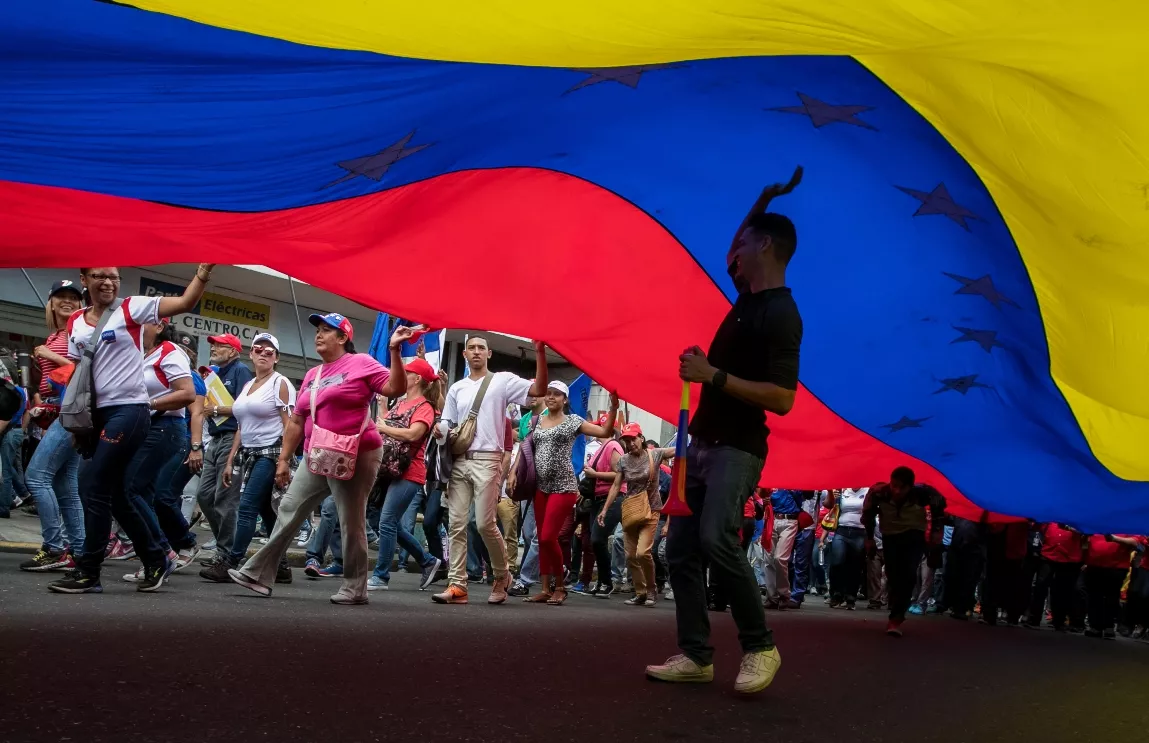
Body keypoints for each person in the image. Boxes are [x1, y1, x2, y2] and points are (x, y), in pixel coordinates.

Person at [647, 169, 803, 694]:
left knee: (715, 538)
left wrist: (712, 375)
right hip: (702, 444)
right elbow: (737, 245)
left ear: (766, 246)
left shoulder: (782, 314)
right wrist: (761, 197)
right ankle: (696, 655)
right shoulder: (747, 296)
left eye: (747, 238)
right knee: (680, 553)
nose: (736, 246)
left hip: (738, 448)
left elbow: (783, 398)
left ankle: (761, 646)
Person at [48, 265, 213, 594]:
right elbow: (81, 373)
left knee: (92, 484)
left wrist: (203, 273)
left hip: (131, 411)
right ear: (85, 280)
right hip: (98, 415)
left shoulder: (131, 307)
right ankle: (156, 559)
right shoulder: (76, 321)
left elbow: (184, 302)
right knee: (120, 494)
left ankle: (88, 571)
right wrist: (79, 422)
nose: (107, 282)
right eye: (99, 276)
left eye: (113, 277)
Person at [228, 314, 411, 604]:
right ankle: (259, 574)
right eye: (318, 330)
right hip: (318, 453)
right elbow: (297, 421)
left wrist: (395, 351)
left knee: (351, 520)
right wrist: (285, 460)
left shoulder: (361, 362)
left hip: (357, 453)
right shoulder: (313, 375)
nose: (319, 335)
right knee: (288, 506)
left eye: (327, 330)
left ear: (342, 338)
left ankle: (355, 588)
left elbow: (395, 389)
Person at [430, 336, 547, 605]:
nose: (476, 352)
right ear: (464, 354)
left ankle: (501, 574)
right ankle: (457, 585)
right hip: (459, 460)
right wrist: (440, 429)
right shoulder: (457, 389)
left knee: (484, 524)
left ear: (489, 353)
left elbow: (538, 390)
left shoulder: (502, 380)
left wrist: (539, 352)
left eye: (481, 348)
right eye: (471, 347)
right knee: (456, 524)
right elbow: (448, 420)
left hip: (489, 459)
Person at [199, 332, 296, 583]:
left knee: (247, 507)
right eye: (258, 349)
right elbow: (241, 426)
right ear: (250, 353)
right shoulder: (247, 385)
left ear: (276, 358)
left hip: (271, 452)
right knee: (268, 512)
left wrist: (284, 461)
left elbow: (290, 425)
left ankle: (231, 561)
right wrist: (231, 460)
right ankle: (282, 565)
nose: (263, 354)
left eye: (269, 351)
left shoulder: (280, 383)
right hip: (248, 453)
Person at [510, 381, 616, 605]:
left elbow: (606, 431)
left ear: (565, 399)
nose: (551, 397)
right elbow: (526, 447)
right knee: (542, 538)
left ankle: (560, 586)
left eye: (557, 394)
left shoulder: (573, 421)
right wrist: (513, 472)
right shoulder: (537, 421)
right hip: (541, 486)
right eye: (548, 394)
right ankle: (545, 588)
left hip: (564, 486)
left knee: (548, 537)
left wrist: (613, 408)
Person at [118, 319, 202, 583]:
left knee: (130, 490)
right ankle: (157, 556)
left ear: (158, 325)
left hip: (166, 429)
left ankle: (164, 550)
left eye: (141, 323)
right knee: (142, 494)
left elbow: (188, 396)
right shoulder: (142, 355)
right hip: (147, 429)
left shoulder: (169, 351)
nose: (134, 327)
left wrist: (147, 404)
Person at [18, 280, 85, 571]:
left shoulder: (78, 329)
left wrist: (49, 355)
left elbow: (85, 370)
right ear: (51, 302)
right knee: (66, 486)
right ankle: (80, 552)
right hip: (60, 412)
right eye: (61, 297)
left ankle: (54, 547)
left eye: (73, 297)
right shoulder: (58, 333)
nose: (67, 301)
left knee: (36, 477)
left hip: (69, 413)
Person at [367, 358, 443, 591]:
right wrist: (381, 409)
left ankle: (381, 576)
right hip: (389, 469)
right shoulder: (400, 401)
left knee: (387, 521)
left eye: (406, 372)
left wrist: (382, 427)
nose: (400, 375)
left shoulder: (425, 407)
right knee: (387, 522)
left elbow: (412, 434)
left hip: (410, 471)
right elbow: (387, 427)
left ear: (417, 378)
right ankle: (429, 561)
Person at [861, 468, 946, 637]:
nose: (897, 491)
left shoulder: (923, 494)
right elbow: (868, 515)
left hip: (914, 535)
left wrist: (936, 539)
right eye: (894, 486)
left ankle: (896, 618)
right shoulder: (879, 492)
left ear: (910, 487)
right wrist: (869, 539)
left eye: (902, 488)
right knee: (892, 574)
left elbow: (939, 510)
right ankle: (896, 602)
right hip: (890, 536)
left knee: (908, 574)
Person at [597, 423, 672, 607]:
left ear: (641, 438)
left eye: (633, 439)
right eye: (626, 440)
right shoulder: (623, 460)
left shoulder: (655, 454)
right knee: (630, 555)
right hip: (631, 511)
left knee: (643, 552)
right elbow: (616, 485)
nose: (630, 444)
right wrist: (605, 509)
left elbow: (678, 450)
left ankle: (652, 590)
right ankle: (640, 593)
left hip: (652, 510)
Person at [195, 332, 254, 564]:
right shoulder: (213, 374)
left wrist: (217, 410)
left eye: (220, 346)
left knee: (225, 498)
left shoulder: (240, 371)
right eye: (213, 345)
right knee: (204, 494)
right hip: (215, 438)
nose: (214, 349)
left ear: (233, 351)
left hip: (232, 437)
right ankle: (225, 543)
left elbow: (244, 406)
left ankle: (226, 553)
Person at [579, 415, 628, 597]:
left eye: (597, 427)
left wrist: (594, 473)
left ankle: (607, 582)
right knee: (594, 541)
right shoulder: (601, 448)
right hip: (598, 498)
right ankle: (602, 581)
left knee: (598, 539)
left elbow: (619, 475)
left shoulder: (613, 446)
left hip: (612, 497)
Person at [823, 487, 868, 609]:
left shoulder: (867, 491)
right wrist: (831, 493)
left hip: (859, 531)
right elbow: (827, 505)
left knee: (855, 565)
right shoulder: (842, 490)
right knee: (837, 562)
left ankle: (850, 597)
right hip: (841, 530)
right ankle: (836, 594)